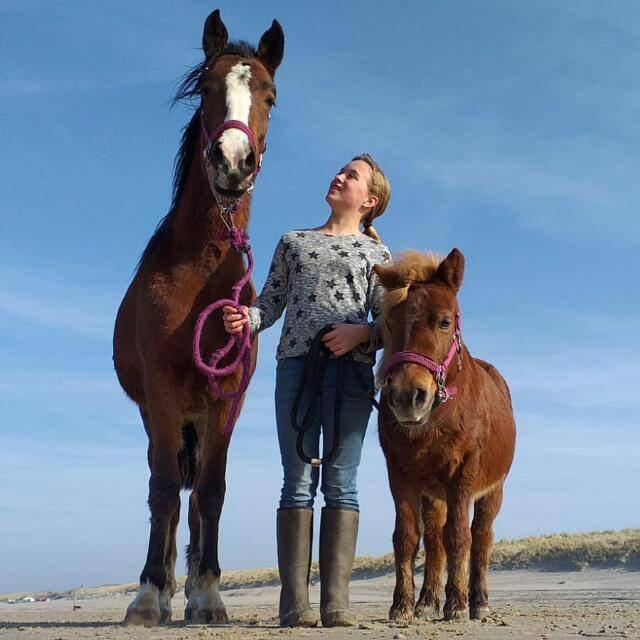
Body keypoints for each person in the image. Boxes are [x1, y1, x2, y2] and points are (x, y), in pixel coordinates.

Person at [223, 154, 391, 627]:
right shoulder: (293, 242)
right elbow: (270, 304)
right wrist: (246, 320)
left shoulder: (377, 256)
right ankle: (294, 606)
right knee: (297, 481)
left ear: (370, 199)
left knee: (343, 483)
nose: (339, 176)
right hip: (296, 368)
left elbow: (389, 324)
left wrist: (362, 335)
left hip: (353, 372)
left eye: (351, 175)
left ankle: (336, 606)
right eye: (340, 170)